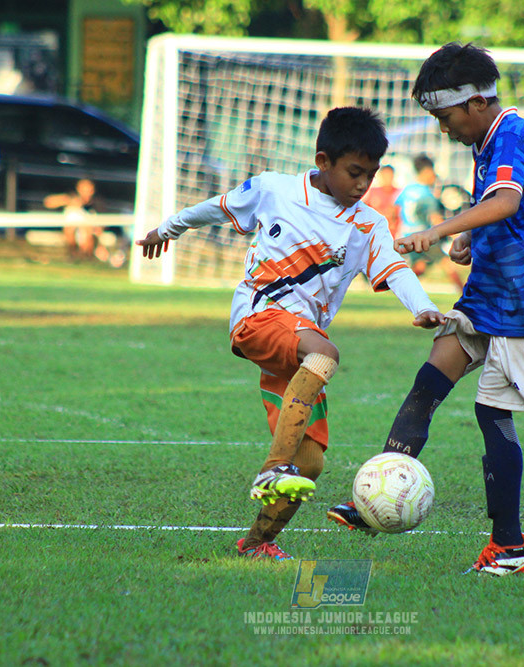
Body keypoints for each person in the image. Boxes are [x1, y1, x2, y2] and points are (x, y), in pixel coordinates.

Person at [137, 107, 445, 561]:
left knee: (312, 462)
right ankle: (270, 469)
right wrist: (168, 228)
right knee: (326, 353)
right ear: (323, 161)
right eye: (355, 172)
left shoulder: (368, 224)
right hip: (259, 318)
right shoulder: (274, 189)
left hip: (299, 346)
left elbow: (395, 269)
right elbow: (216, 208)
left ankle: (257, 543)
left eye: (371, 174)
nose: (363, 185)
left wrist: (424, 308)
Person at [326, 43, 524, 578]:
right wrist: (471, 242)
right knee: (429, 380)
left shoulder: (511, 132)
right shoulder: (486, 140)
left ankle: (512, 546)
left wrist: (441, 231)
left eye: (444, 117)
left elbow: (508, 201)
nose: (443, 129)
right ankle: (379, 494)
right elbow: (505, 207)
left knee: (492, 413)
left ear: (475, 102)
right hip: (491, 290)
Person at [395, 154, 465, 290]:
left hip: (407, 235)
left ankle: (398, 287)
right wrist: (454, 234)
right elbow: (436, 219)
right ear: (427, 172)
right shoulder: (427, 194)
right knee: (447, 263)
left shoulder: (407, 190)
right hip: (423, 236)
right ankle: (464, 293)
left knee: (420, 266)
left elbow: (395, 210)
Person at [43, 178, 106, 260]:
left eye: (88, 190)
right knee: (70, 228)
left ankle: (85, 255)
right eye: (83, 189)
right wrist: (66, 200)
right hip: (73, 228)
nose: (85, 193)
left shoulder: (97, 203)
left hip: (90, 233)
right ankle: (73, 254)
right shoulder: (72, 198)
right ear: (78, 189)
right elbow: (48, 202)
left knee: (86, 230)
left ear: (92, 191)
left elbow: (101, 224)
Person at [362, 164, 401, 237]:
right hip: (375, 233)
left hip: (392, 235)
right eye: (385, 176)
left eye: (389, 176)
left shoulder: (398, 194)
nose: (387, 178)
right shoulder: (372, 192)